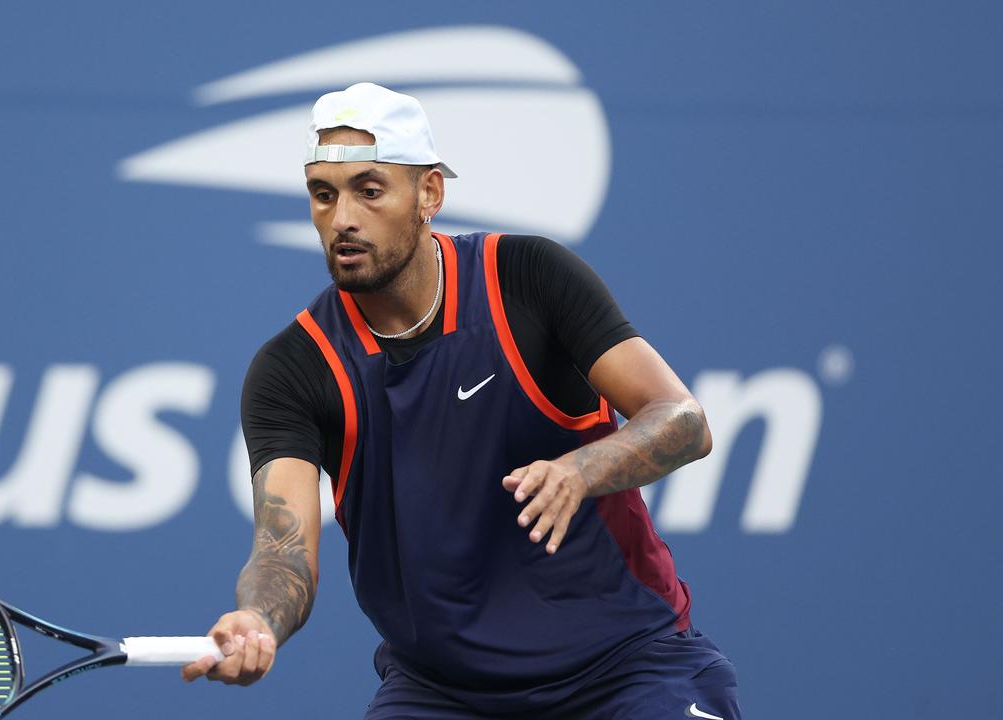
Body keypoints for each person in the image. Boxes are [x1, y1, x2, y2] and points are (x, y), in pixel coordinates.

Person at [182, 82, 741, 719]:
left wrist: (581, 469)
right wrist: (258, 618)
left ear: (429, 195)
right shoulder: (292, 370)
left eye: (369, 190)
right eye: (323, 194)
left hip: (627, 668)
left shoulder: (530, 278)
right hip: (443, 694)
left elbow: (685, 421)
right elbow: (283, 553)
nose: (341, 219)